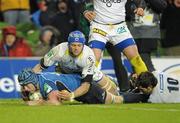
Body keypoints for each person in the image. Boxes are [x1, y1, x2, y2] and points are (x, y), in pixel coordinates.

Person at [33, 30, 119, 98]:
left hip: (84, 71)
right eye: (73, 45)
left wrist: (72, 95)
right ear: (68, 44)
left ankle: (111, 81)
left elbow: (86, 85)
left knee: (113, 92)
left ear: (83, 45)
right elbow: (40, 67)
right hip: (64, 71)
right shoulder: (58, 50)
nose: (76, 48)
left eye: (79, 45)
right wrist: (29, 81)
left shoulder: (88, 56)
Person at [83, 0, 148, 75]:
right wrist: (85, 11)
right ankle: (87, 85)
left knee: (137, 60)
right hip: (99, 27)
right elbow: (80, 2)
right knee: (92, 61)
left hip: (120, 28)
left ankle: (146, 85)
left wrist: (140, 8)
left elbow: (140, 1)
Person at [18, 68, 123, 105]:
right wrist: (26, 96)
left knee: (118, 100)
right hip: (80, 92)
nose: (25, 88)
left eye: (26, 85)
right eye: (23, 86)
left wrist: (39, 103)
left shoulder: (46, 83)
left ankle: (139, 97)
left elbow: (55, 103)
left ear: (33, 81)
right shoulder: (38, 78)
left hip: (88, 90)